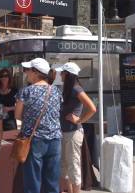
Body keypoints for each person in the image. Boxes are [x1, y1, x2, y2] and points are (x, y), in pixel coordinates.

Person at [15, 58, 63, 193]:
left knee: (32, 181)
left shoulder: (26, 91)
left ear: (35, 72)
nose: (26, 73)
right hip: (55, 139)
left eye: (28, 70)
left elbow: (18, 116)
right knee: (52, 181)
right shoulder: (56, 91)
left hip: (34, 139)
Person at [55, 62, 96, 193]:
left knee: (72, 166)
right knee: (65, 166)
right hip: (66, 132)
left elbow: (92, 108)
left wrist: (79, 119)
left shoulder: (75, 88)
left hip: (72, 133)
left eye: (62, 72)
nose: (60, 74)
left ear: (67, 74)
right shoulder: (69, 88)